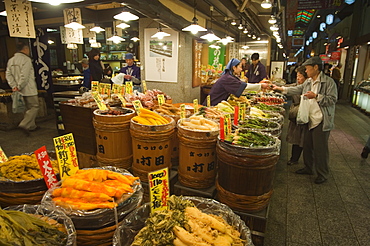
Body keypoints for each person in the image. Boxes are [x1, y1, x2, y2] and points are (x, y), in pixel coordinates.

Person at [272, 56, 337, 184]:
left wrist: (316, 96)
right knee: (307, 145)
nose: (306, 71)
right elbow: (297, 89)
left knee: (320, 149)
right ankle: (308, 167)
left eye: (307, 68)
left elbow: (332, 99)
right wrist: (280, 89)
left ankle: (322, 173)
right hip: (309, 118)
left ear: (316, 67)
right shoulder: (308, 82)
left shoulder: (328, 82)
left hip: (321, 120)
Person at [6, 41, 39, 136]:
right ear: (25, 49)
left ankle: (32, 126)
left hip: (18, 90)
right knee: (34, 106)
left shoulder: (11, 60)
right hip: (28, 88)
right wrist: (19, 86)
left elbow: (8, 75)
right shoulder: (26, 60)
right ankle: (24, 124)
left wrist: (14, 86)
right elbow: (24, 75)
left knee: (27, 108)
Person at [204, 58, 270, 106]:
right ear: (234, 68)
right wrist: (260, 86)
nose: (241, 69)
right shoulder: (227, 78)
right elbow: (244, 86)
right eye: (240, 67)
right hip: (212, 105)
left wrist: (258, 84)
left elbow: (242, 85)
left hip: (218, 103)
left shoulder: (230, 76)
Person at [286, 66, 308, 165]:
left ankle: (307, 163)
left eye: (300, 76)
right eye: (297, 76)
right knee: (296, 138)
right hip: (295, 115)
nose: (298, 78)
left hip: (304, 115)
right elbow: (288, 87)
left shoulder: (308, 87)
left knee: (302, 138)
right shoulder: (297, 85)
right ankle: (294, 159)